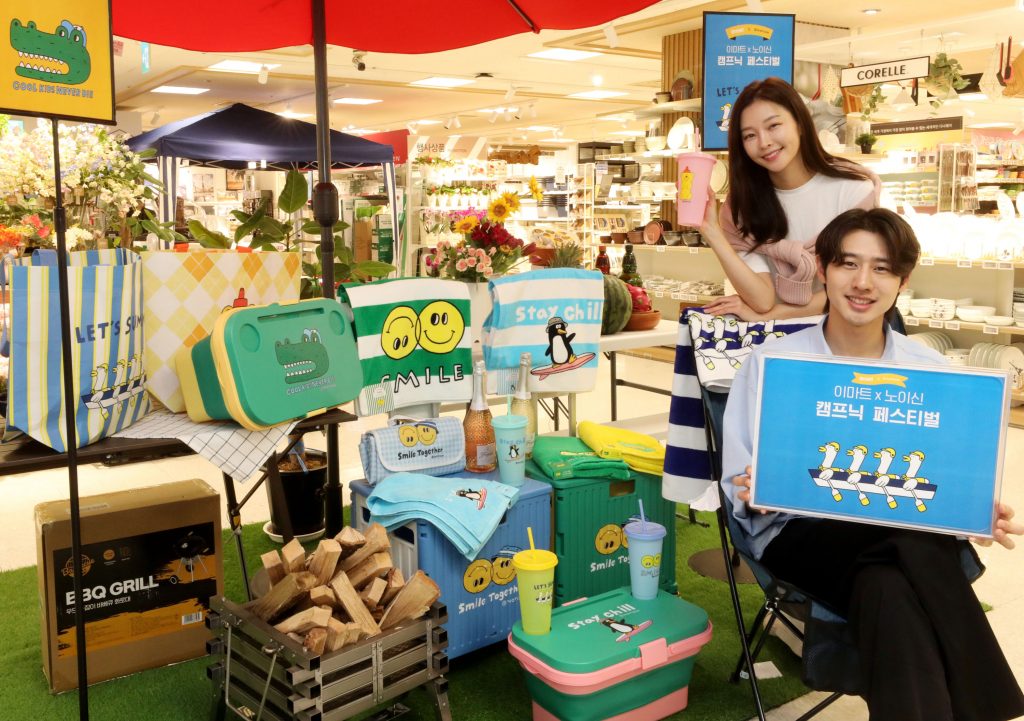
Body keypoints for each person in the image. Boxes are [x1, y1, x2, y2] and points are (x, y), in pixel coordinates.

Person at [721, 207, 1024, 721]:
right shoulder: (775, 364)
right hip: (800, 532)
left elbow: (944, 471)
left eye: (882, 268)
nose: (863, 282)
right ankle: (991, 701)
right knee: (910, 541)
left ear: (903, 281)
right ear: (823, 270)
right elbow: (737, 479)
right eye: (848, 264)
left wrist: (969, 509)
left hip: (890, 544)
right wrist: (752, 488)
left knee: (887, 586)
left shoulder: (930, 370)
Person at [698, 77, 880, 320]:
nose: (764, 143)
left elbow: (853, 287)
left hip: (843, 334)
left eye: (773, 126)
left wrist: (771, 317)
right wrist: (711, 231)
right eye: (749, 135)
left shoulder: (853, 192)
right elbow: (762, 300)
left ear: (800, 123)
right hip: (777, 339)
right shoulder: (742, 207)